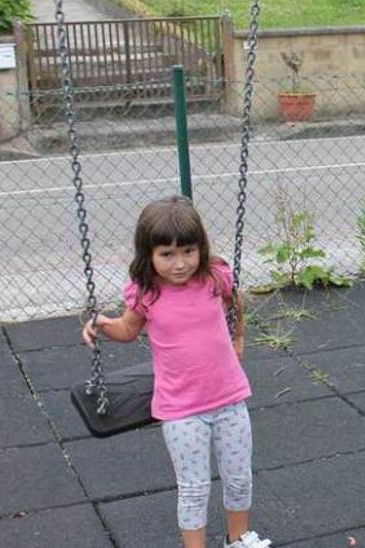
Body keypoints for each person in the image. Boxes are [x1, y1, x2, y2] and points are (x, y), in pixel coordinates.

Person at [81, 196, 270, 548]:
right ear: (148, 255)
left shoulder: (214, 278)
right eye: (167, 254)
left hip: (230, 399)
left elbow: (236, 301)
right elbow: (128, 330)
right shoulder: (147, 293)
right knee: (194, 487)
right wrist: (104, 325)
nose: (180, 263)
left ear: (201, 249)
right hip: (182, 411)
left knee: (239, 478)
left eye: (188, 251)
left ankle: (239, 539)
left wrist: (239, 337)